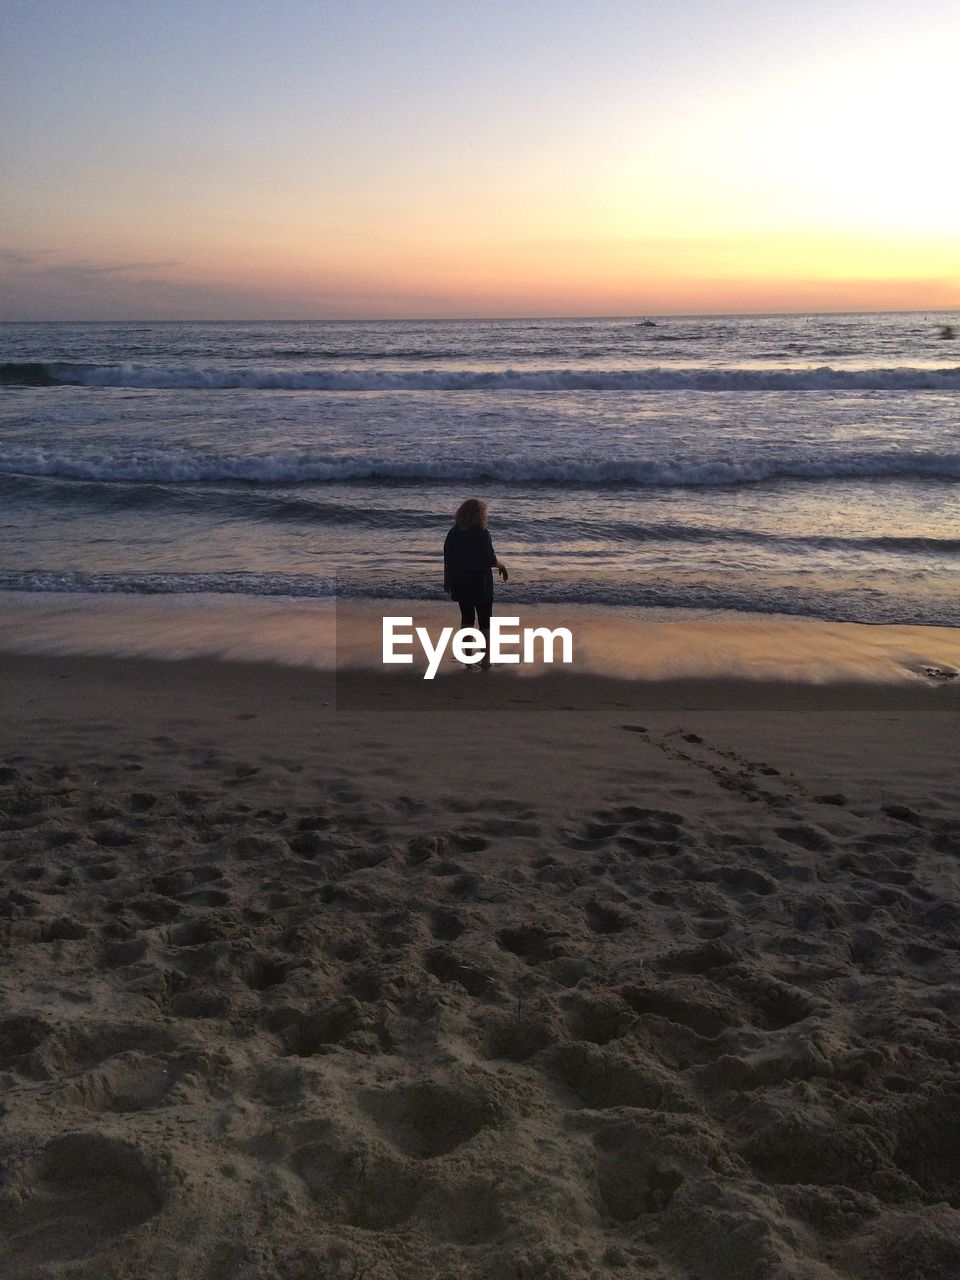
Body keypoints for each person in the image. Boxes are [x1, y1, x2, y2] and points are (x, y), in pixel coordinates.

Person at [443, 498, 508, 669]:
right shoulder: (482, 534)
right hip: (481, 581)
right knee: (485, 620)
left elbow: (448, 560)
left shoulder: (453, 533)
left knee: (467, 618)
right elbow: (490, 559)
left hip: (460, 580)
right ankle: (486, 660)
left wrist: (447, 581)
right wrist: (502, 566)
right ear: (479, 516)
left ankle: (468, 658)